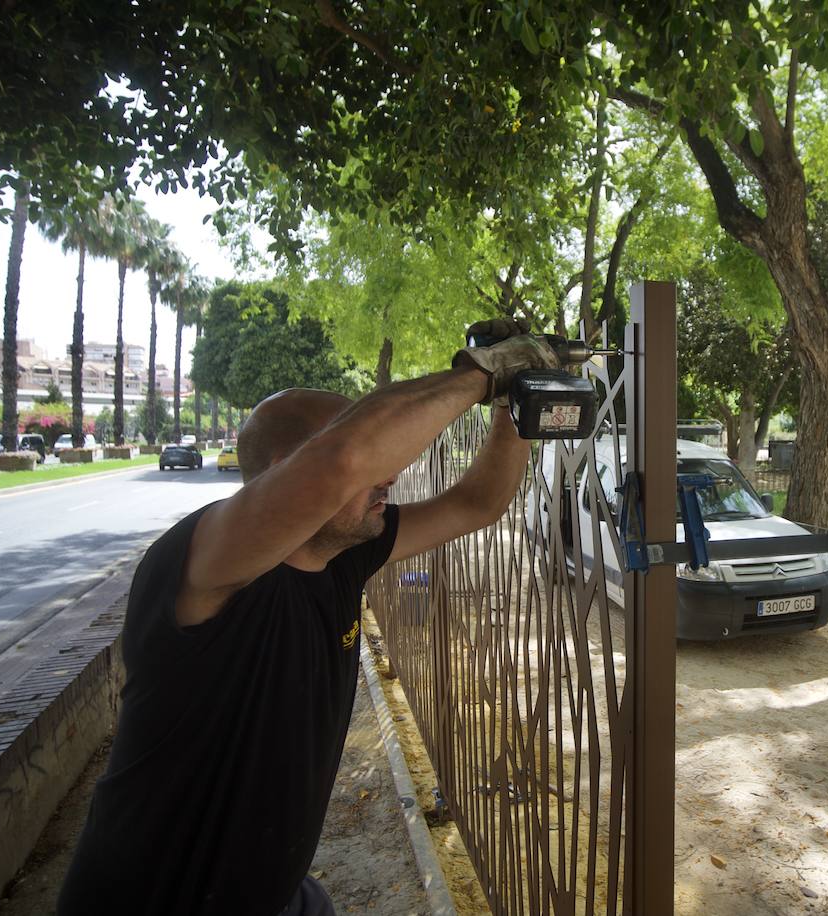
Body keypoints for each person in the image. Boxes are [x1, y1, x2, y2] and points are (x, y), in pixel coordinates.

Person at [58, 321, 557, 916]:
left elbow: (478, 502)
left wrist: (511, 404)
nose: (390, 473)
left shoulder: (345, 552)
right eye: (382, 456)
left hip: (276, 893)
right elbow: (344, 460)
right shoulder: (205, 561)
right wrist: (482, 371)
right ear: (284, 468)